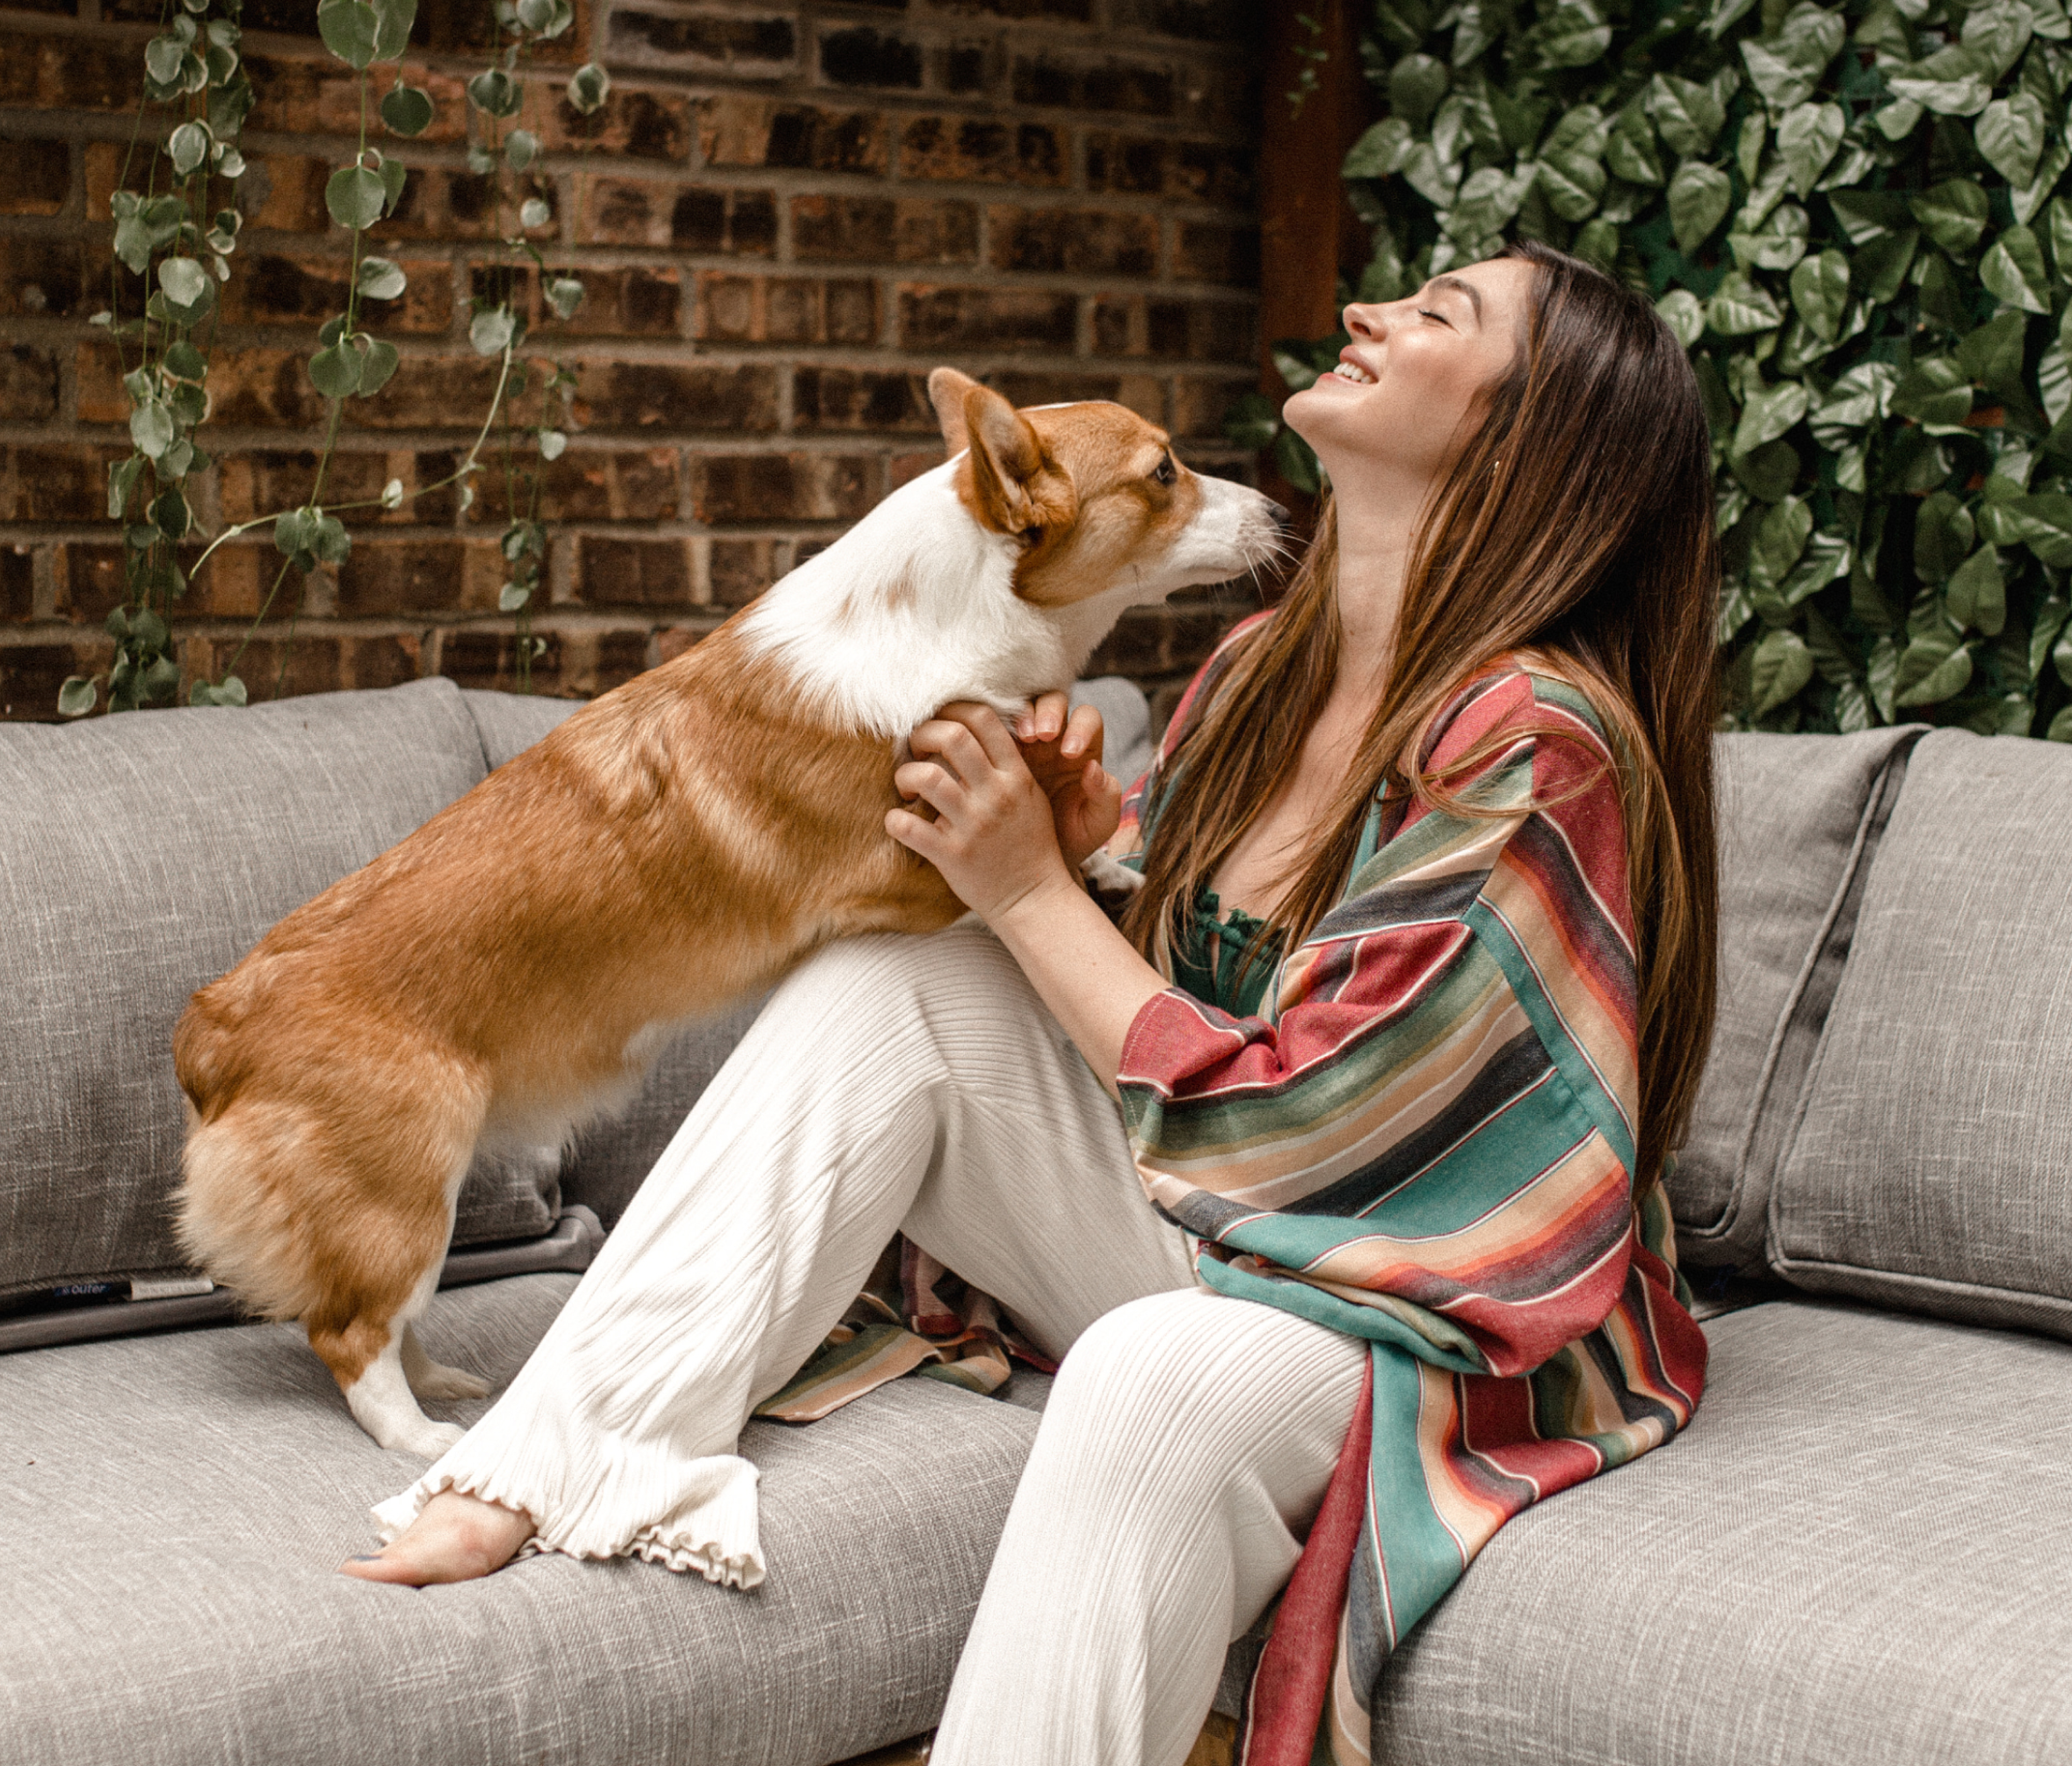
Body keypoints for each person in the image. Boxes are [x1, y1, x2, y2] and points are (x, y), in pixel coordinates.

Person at [344, 240, 1720, 1766]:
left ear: (1526, 438)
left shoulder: (1534, 744)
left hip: (1426, 1311)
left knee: (1146, 1374)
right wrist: (1079, 864)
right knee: (898, 972)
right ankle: (548, 1459)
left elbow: (1340, 1137)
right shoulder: (1261, 669)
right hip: (1238, 1224)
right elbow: (1190, 1007)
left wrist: (1024, 892)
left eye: (1439, 312)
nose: (1366, 311)